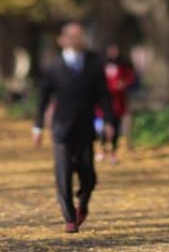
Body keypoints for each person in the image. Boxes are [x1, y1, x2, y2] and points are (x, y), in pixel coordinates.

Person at [33, 22, 115, 233]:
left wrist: (108, 121)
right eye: (73, 36)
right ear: (63, 40)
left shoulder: (94, 63)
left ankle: (83, 202)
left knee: (89, 175)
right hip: (61, 127)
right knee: (63, 172)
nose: (78, 39)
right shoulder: (54, 66)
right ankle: (69, 217)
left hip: (86, 127)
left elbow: (104, 95)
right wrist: (38, 127)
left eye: (81, 36)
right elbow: (43, 98)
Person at [96, 43, 135, 164]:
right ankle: (102, 150)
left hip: (118, 102)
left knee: (116, 128)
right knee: (102, 127)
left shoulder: (123, 66)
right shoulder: (100, 66)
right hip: (102, 103)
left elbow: (130, 78)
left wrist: (123, 83)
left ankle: (113, 152)